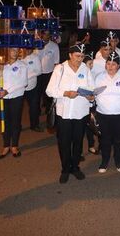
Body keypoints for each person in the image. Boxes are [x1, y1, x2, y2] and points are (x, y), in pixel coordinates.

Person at [46, 43, 95, 183]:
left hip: (81, 112)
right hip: (65, 113)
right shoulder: (60, 69)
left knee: (78, 141)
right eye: (77, 56)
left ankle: (75, 167)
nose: (79, 59)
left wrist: (91, 95)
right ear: (69, 55)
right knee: (64, 142)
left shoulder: (85, 69)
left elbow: (91, 87)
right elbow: (49, 90)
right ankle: (65, 168)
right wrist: (65, 93)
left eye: (82, 56)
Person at [94, 51, 120, 173]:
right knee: (105, 139)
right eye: (108, 64)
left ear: (118, 65)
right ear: (105, 65)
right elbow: (95, 94)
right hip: (103, 113)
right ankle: (104, 161)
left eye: (113, 64)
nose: (110, 67)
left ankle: (118, 160)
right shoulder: (99, 77)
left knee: (119, 138)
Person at [0, 48, 28, 159]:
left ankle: (15, 146)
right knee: (4, 122)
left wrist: (8, 90)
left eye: (17, 51)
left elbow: (23, 82)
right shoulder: (0, 63)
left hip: (16, 97)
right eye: (13, 50)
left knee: (15, 122)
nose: (15, 52)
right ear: (7, 51)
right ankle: (6, 145)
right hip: (0, 98)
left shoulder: (22, 65)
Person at [19, 48, 43, 132]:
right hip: (19, 87)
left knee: (34, 107)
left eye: (30, 49)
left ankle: (34, 125)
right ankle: (17, 126)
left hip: (33, 86)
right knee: (18, 108)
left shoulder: (35, 57)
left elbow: (39, 71)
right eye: (26, 49)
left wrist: (26, 77)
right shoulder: (18, 57)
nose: (28, 51)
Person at [37, 30, 60, 113]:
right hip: (37, 74)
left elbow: (56, 62)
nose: (46, 36)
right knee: (37, 94)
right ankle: (37, 110)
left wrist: (55, 75)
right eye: (45, 34)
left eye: (48, 34)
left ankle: (48, 110)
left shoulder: (54, 46)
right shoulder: (36, 45)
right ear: (41, 34)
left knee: (48, 93)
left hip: (49, 73)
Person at [82, 51, 100, 155]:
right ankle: (78, 152)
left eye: (92, 63)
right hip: (82, 106)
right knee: (81, 128)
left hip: (92, 104)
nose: (92, 66)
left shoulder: (93, 74)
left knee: (91, 125)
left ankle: (91, 145)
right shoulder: (80, 76)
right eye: (89, 64)